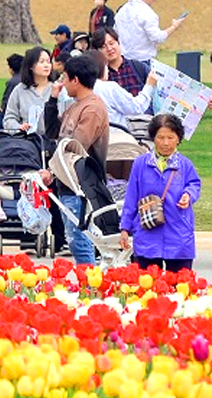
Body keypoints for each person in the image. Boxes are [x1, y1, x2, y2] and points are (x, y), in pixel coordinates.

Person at [42, 55, 109, 266]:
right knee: (76, 239)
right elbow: (53, 131)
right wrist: (52, 101)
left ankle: (89, 286)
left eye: (65, 77)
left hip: (82, 185)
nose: (62, 81)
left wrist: (51, 172)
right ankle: (88, 284)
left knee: (80, 240)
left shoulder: (92, 109)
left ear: (76, 80)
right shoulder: (76, 105)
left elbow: (75, 149)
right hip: (68, 183)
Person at [119, 114, 200, 272]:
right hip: (147, 234)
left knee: (180, 288)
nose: (165, 143)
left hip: (178, 234)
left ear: (178, 139)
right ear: (153, 138)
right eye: (160, 137)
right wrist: (125, 228)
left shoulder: (185, 165)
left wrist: (188, 195)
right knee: (146, 288)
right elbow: (131, 198)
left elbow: (194, 184)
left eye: (170, 137)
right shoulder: (140, 164)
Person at [114, 0, 183, 63]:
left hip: (124, 60)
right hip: (144, 60)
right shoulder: (148, 13)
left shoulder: (122, 11)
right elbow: (158, 38)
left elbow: (115, 33)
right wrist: (174, 27)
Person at [3, 47, 57, 135]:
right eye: (41, 62)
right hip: (27, 141)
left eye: (48, 61)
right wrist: (18, 127)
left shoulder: (57, 89)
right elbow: (9, 118)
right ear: (31, 66)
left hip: (52, 142)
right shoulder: (20, 90)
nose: (46, 65)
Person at [91, 27, 151, 98]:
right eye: (103, 47)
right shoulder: (100, 75)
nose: (109, 49)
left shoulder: (138, 67)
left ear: (118, 43)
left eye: (111, 43)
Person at [0, 53, 25, 129]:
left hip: (9, 112)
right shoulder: (26, 79)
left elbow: (7, 98)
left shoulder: (12, 82)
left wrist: (2, 108)